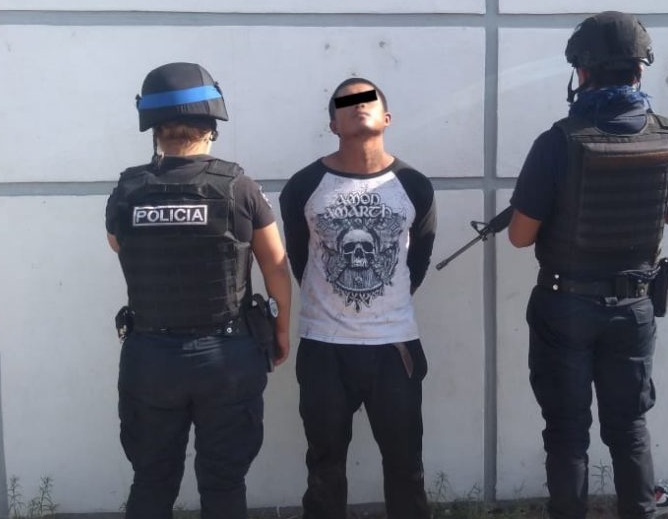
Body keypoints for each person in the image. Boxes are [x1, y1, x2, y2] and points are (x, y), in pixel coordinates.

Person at [507, 12, 668, 519]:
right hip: (634, 307)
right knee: (629, 427)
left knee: (567, 434)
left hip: (565, 305)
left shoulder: (558, 141)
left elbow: (520, 236)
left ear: (582, 71)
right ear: (640, 70)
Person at [105, 62, 291, 519]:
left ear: (154, 129)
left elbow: (121, 247)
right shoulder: (239, 188)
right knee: (224, 483)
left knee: (151, 481)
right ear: (211, 124)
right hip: (226, 358)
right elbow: (276, 266)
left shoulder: (127, 191)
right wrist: (281, 330)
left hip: (150, 358)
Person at [279, 78, 436, 519]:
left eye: (367, 100)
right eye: (345, 103)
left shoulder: (413, 185)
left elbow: (417, 261)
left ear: (386, 117)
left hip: (394, 346)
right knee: (324, 467)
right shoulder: (304, 185)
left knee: (406, 465)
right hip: (324, 346)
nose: (357, 106)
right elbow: (299, 257)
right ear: (333, 124)